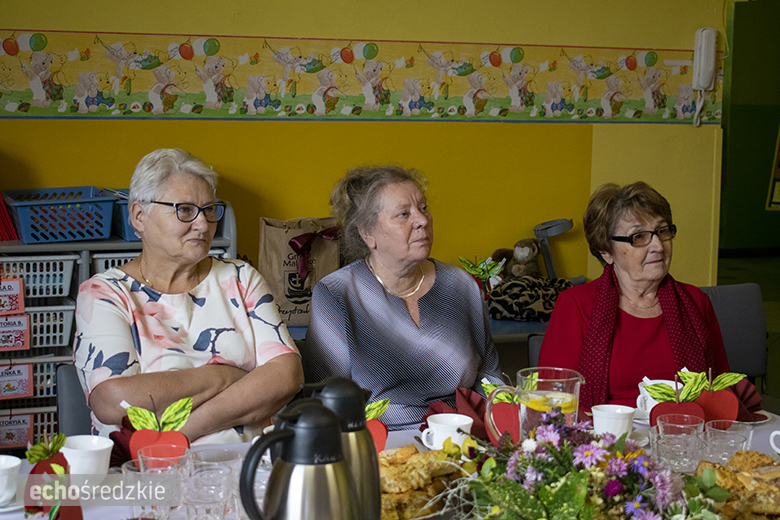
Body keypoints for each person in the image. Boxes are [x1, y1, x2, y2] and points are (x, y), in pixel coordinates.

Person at [73, 148, 303, 443]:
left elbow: (287, 376)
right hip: (147, 469)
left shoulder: (240, 277)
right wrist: (225, 377)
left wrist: (184, 432)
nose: (203, 224)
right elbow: (113, 401)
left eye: (209, 210)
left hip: (249, 463)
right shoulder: (105, 293)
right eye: (184, 210)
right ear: (139, 216)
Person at [304, 165, 503, 430]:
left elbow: (490, 378)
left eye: (423, 208)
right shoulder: (337, 294)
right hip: (380, 445)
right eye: (403, 214)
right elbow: (326, 400)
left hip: (460, 437)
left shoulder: (460, 285)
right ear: (367, 233)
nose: (422, 220)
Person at [539, 181, 729, 410]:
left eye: (663, 231)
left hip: (681, 436)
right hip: (605, 439)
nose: (658, 246)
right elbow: (553, 401)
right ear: (606, 251)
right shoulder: (576, 305)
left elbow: (720, 393)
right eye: (638, 237)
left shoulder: (697, 302)